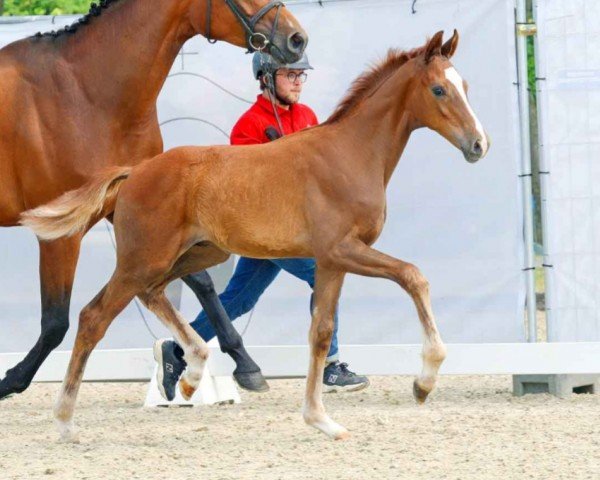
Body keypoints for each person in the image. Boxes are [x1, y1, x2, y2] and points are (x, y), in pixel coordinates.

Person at [154, 52, 369, 400]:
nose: (299, 81)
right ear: (267, 78)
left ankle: (177, 351)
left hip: (295, 231)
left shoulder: (309, 118)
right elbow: (246, 190)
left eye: (302, 75)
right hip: (263, 231)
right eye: (291, 74)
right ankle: (329, 365)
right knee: (323, 273)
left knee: (239, 299)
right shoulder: (248, 126)